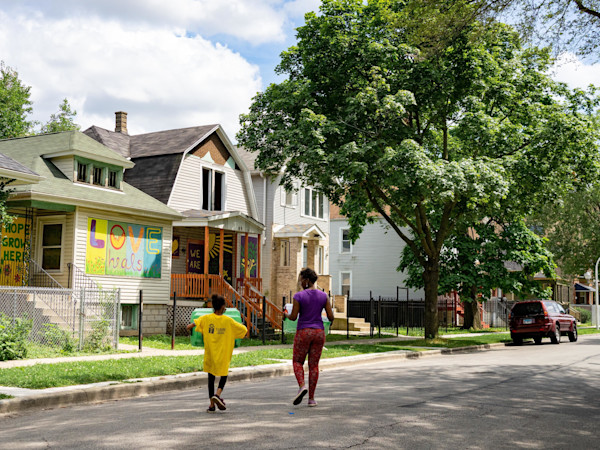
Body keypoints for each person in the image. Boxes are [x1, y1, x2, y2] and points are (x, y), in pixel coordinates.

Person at [186, 294, 248, 413]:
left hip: (210, 354)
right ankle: (218, 394)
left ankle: (211, 405)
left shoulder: (206, 318)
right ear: (223, 307)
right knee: (223, 375)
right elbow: (243, 330)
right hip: (223, 354)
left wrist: (191, 326)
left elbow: (192, 325)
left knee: (211, 378)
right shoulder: (228, 321)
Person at [284, 267, 334, 407]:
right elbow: (330, 316)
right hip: (319, 332)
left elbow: (293, 317)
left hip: (304, 332)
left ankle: (302, 386)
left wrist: (285, 314)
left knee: (297, 361)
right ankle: (311, 399)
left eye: (301, 280)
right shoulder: (324, 296)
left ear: (306, 280)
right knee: (314, 365)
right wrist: (330, 321)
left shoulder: (299, 296)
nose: (300, 283)